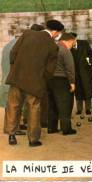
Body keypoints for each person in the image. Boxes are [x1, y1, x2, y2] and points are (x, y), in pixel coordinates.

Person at [5, 19, 64, 147]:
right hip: (36, 82)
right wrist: (42, 79)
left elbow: (13, 53)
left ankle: (11, 135)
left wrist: (16, 69)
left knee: (13, 106)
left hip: (17, 78)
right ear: (54, 31)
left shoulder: (27, 34)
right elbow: (50, 70)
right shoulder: (53, 46)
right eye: (58, 33)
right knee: (34, 109)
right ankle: (33, 140)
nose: (58, 36)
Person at [2, 24, 45, 135]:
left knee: (11, 104)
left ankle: (10, 128)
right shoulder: (24, 44)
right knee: (18, 104)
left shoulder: (10, 44)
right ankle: (15, 128)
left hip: (9, 76)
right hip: (17, 77)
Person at [47, 33, 77, 135]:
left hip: (50, 80)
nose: (72, 46)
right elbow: (70, 68)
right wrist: (72, 82)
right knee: (65, 104)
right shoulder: (65, 51)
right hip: (62, 80)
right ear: (68, 40)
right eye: (72, 43)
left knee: (52, 104)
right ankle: (66, 129)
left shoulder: (52, 48)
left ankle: (51, 128)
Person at [70, 32, 92, 121]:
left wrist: (90, 62)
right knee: (78, 90)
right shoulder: (68, 48)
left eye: (72, 40)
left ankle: (88, 109)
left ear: (75, 39)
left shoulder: (84, 43)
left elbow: (91, 54)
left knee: (87, 90)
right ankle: (79, 109)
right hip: (75, 73)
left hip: (85, 72)